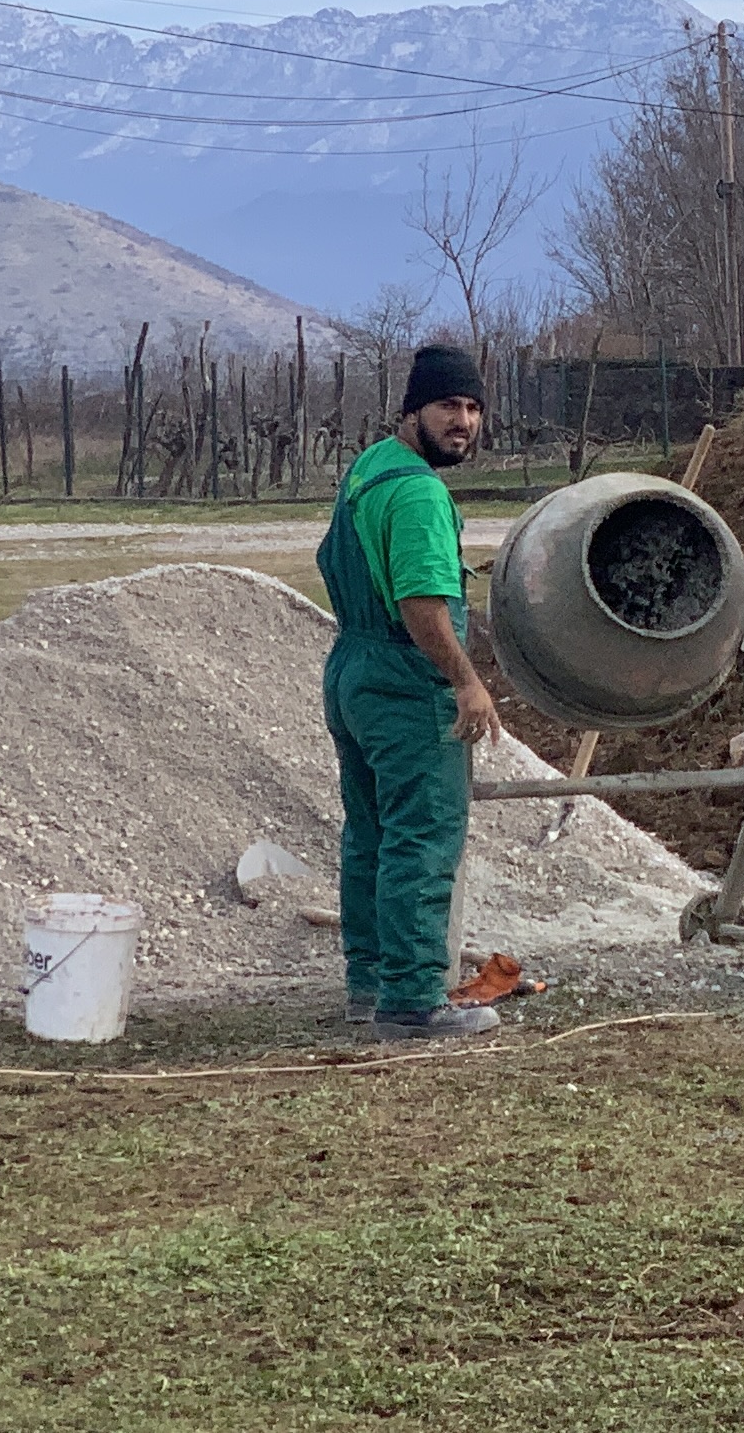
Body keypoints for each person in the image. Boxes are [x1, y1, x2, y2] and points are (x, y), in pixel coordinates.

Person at [319, 344, 505, 1040]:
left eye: (474, 408)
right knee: (423, 836)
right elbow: (422, 604)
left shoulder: (370, 468)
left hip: (353, 672)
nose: (463, 421)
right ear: (412, 410)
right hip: (405, 679)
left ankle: (368, 985)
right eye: (448, 406)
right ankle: (413, 998)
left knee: (370, 833)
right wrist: (466, 681)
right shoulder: (421, 493)